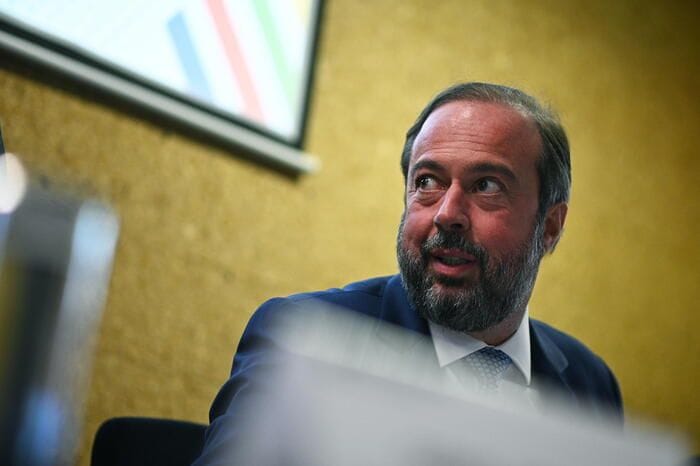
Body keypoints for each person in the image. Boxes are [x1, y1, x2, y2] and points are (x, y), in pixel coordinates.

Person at [192, 82, 623, 464]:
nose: (447, 214)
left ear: (549, 227)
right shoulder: (304, 338)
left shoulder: (590, 384)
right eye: (428, 182)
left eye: (487, 186)